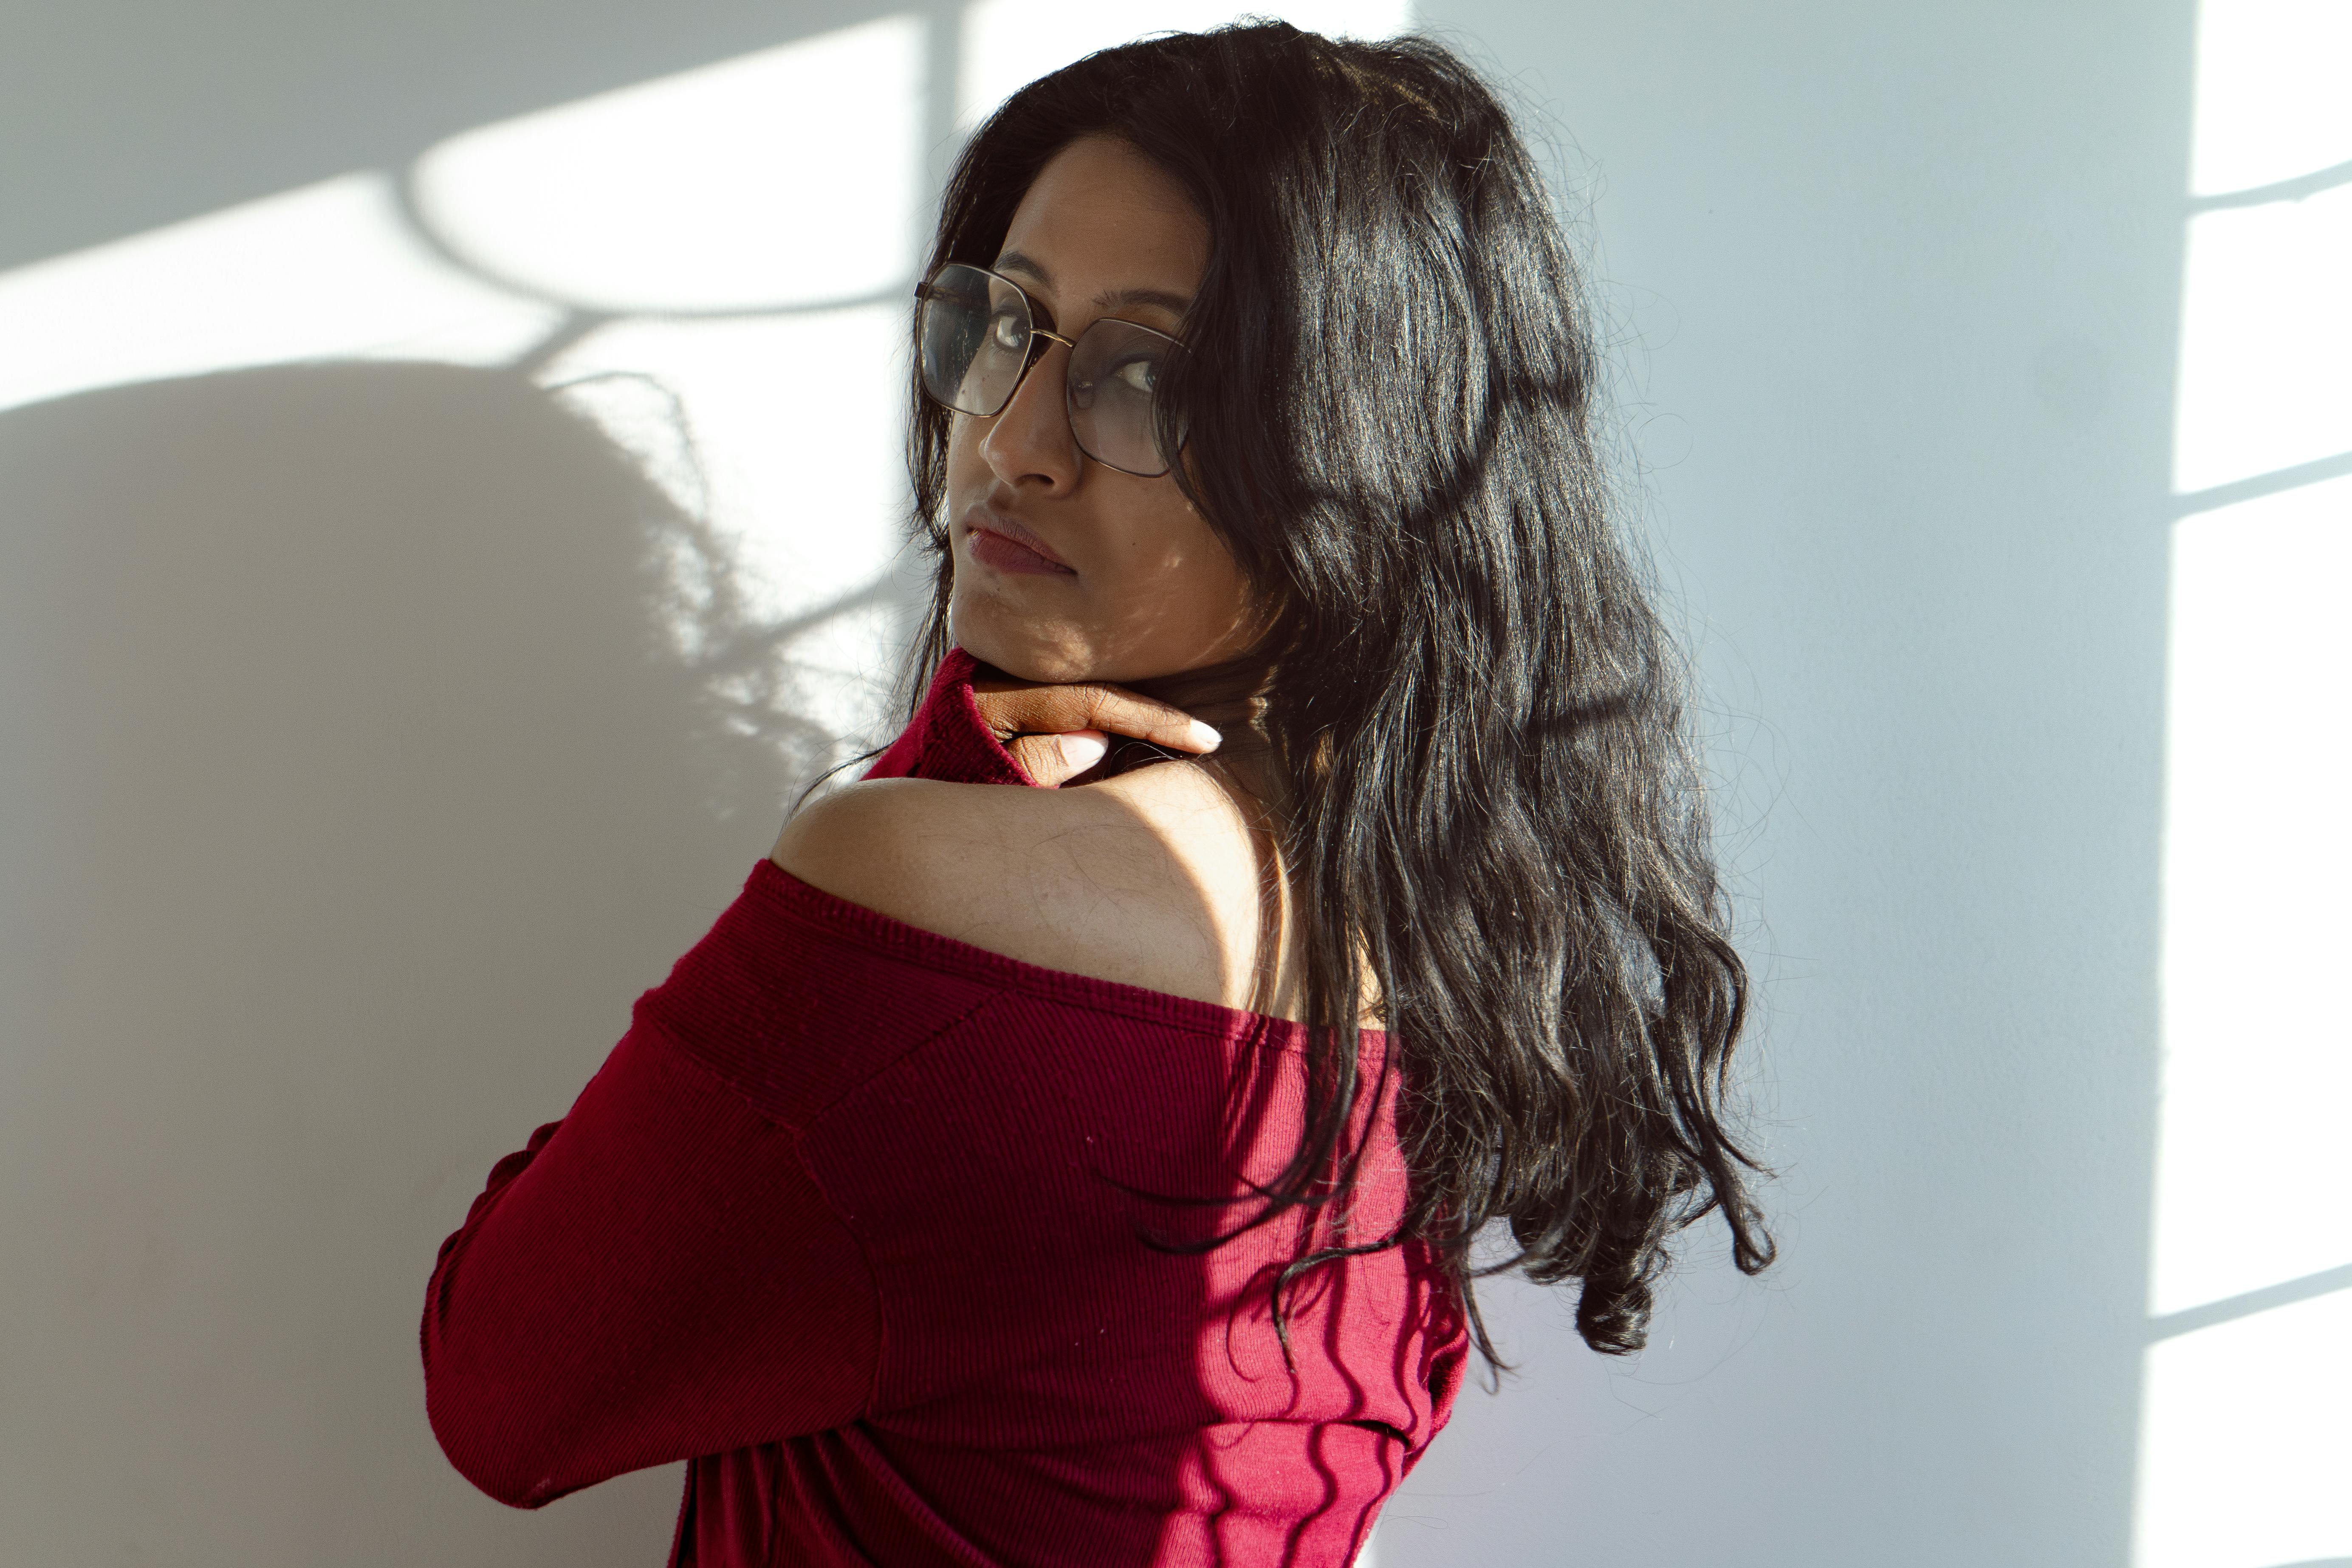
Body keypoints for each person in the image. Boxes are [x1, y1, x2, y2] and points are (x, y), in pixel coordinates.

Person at [422, 21, 1772, 1566]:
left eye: (1148, 376)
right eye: (1006, 322)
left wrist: (940, 768)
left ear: (1362, 450)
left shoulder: (914, 893)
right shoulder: (1455, 935)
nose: (1009, 437)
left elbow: (501, 1388)